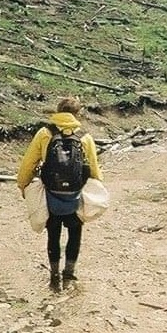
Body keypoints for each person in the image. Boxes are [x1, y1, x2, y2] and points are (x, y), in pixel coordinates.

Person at [15, 95, 101, 292]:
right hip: (75, 194)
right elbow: (94, 169)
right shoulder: (85, 137)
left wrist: (23, 185)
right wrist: (96, 189)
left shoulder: (45, 133)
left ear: (58, 111)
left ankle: (54, 275)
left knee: (53, 234)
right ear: (78, 114)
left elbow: (28, 163)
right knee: (75, 232)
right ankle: (69, 274)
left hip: (51, 193)